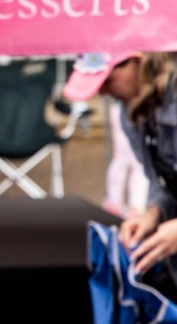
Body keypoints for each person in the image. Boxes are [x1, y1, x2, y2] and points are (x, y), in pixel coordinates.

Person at [64, 51, 177, 276]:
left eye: (107, 81)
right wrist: (154, 211)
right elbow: (163, 181)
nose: (104, 92)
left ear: (138, 61)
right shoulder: (132, 112)